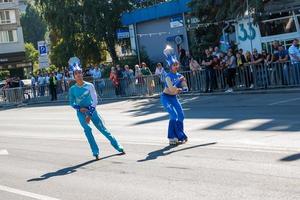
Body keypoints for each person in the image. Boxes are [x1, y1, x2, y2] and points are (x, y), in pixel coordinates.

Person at [68, 57, 125, 160]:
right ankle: (95, 151)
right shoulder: (72, 89)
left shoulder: (89, 86)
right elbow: (71, 102)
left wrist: (89, 113)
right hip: (81, 112)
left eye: (80, 72)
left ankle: (117, 146)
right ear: (74, 76)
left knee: (102, 129)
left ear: (82, 74)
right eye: (76, 73)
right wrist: (79, 109)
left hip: (91, 110)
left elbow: (95, 101)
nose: (78, 74)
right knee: (87, 129)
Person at [161, 46, 188, 145]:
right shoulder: (168, 76)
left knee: (181, 116)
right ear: (170, 66)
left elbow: (185, 87)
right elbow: (171, 89)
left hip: (174, 97)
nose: (176, 66)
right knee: (173, 115)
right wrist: (180, 87)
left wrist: (184, 85)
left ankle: (179, 135)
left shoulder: (180, 76)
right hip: (166, 97)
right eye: (174, 65)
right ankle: (172, 137)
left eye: (177, 64)